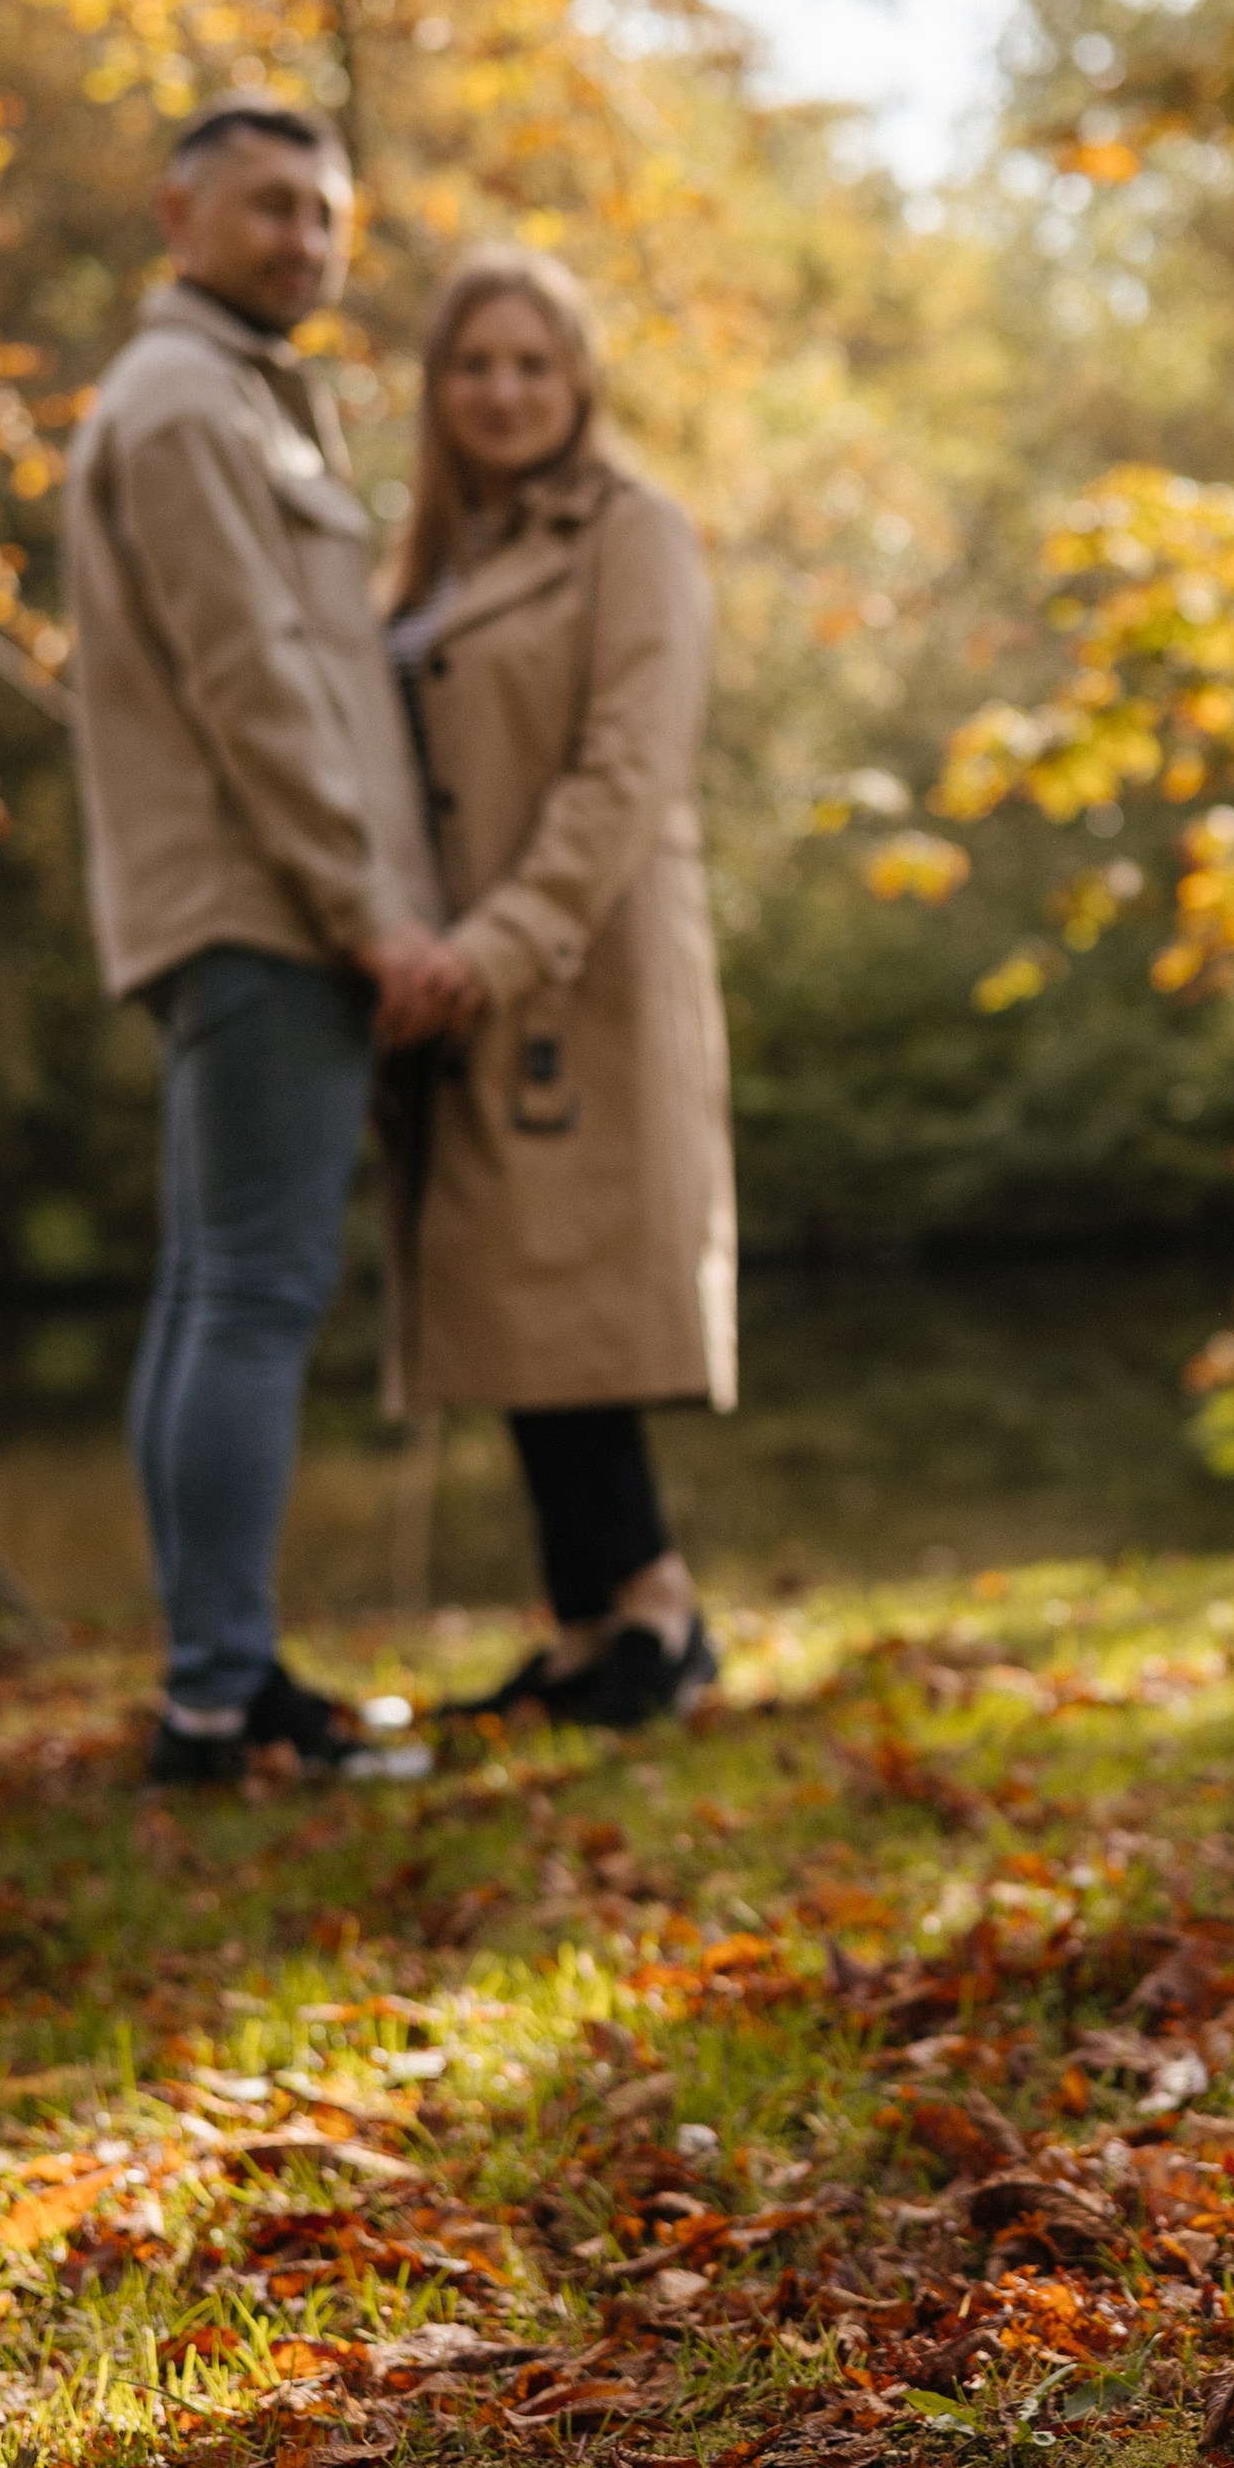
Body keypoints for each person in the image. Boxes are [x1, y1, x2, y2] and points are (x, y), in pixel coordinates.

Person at [66, 98, 459, 1786]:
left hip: (243, 905)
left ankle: (215, 1685)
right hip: (264, 906)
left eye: (324, 213)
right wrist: (371, 915)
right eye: (269, 206)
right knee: (252, 1293)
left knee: (209, 1290)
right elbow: (254, 685)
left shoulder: (228, 398)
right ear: (178, 215)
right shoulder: (183, 407)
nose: (304, 239)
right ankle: (220, 1697)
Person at [380, 247, 734, 1729]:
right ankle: (590, 1624)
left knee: (565, 1288)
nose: (503, 391)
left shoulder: (632, 532)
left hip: (574, 970)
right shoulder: (432, 556)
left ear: (578, 380)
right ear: (438, 388)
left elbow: (624, 772)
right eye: (475, 364)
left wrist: (496, 947)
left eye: (533, 363)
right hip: (452, 974)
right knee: (514, 1294)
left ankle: (656, 1610)